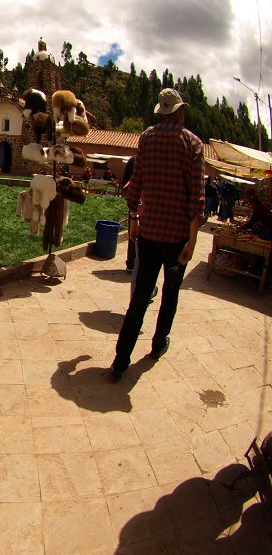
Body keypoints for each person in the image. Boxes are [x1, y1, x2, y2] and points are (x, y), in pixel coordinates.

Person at [110, 88, 205, 381]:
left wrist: (134, 221)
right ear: (180, 112)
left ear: (162, 112)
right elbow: (197, 198)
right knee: (170, 294)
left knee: (140, 296)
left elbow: (134, 187)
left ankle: (121, 360)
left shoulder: (147, 138)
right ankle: (157, 344)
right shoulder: (193, 144)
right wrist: (192, 240)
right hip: (177, 237)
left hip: (149, 233)